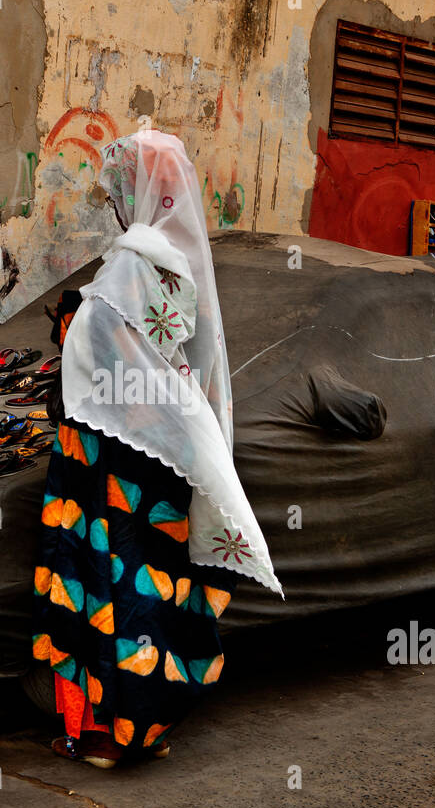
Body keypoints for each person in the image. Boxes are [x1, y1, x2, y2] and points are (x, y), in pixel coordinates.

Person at [32, 129, 282, 768]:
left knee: (104, 588)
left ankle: (109, 732)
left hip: (109, 462)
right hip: (159, 458)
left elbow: (104, 359)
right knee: (155, 587)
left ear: (139, 189)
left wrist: (71, 326)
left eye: (120, 185)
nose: (114, 199)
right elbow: (168, 360)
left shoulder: (132, 262)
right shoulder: (181, 259)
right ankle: (147, 721)